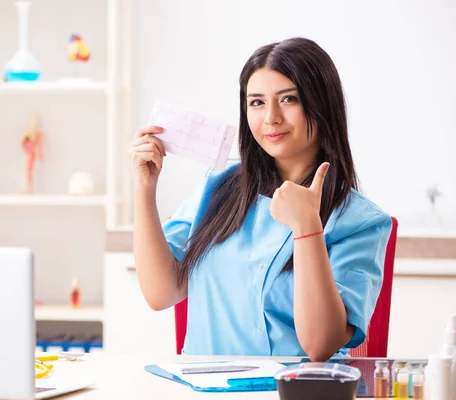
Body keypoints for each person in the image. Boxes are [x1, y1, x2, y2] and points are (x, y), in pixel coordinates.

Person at [127, 37, 392, 361]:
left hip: (297, 390)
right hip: (205, 388)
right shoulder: (218, 186)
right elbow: (160, 293)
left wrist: (308, 227)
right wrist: (145, 189)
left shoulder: (359, 222)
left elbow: (321, 344)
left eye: (289, 99)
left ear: (321, 105)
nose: (271, 117)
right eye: (257, 102)